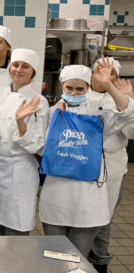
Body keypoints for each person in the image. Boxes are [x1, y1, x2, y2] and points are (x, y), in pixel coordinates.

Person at [39, 61, 133, 259]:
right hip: (56, 194)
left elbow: (125, 113)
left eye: (79, 88)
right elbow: (39, 146)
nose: (73, 93)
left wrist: (108, 85)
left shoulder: (98, 112)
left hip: (88, 199)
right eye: (69, 88)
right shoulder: (53, 112)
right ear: (61, 85)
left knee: (77, 260)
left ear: (88, 88)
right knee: (54, 259)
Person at [0, 49, 49, 235]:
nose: (19, 70)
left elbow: (37, 145)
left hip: (20, 172)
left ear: (33, 72)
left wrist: (20, 122)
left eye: (25, 66)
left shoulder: (38, 101)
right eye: (16, 65)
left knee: (16, 230)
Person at [86, 58, 134, 273]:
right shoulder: (78, 92)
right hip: (82, 164)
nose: (103, 76)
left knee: (104, 219)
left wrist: (128, 100)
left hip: (113, 166)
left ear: (116, 77)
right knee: (82, 214)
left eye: (110, 73)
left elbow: (131, 133)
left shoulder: (121, 99)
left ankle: (100, 261)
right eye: (99, 71)